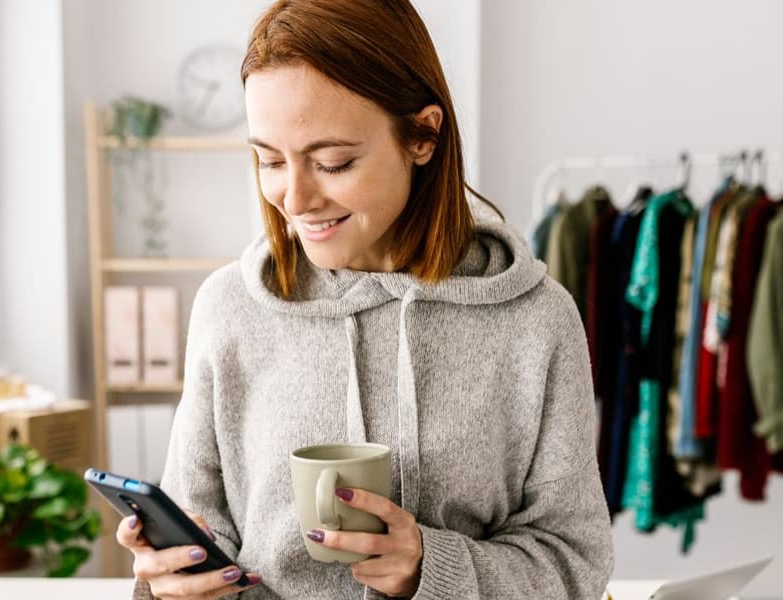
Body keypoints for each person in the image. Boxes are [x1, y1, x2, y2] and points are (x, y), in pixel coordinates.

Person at [116, 1, 614, 598]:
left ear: (423, 136)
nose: (293, 198)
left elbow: (574, 562)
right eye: (269, 159)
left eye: (333, 162)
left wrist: (432, 567)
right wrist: (172, 582)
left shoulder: (536, 321)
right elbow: (199, 530)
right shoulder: (228, 308)